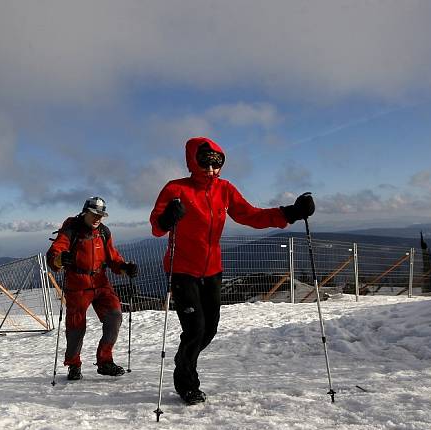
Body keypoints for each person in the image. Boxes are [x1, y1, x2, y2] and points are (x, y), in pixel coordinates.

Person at [149, 137, 315, 405]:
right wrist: (168, 217)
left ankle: (184, 358)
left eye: (217, 163)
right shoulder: (175, 189)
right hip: (182, 270)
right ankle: (186, 382)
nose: (212, 170)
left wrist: (290, 213)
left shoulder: (224, 189)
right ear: (193, 160)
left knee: (209, 329)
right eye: (206, 163)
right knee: (195, 329)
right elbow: (157, 227)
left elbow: (251, 215)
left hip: (213, 269)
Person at [47, 196, 139, 381]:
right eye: (94, 214)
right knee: (76, 327)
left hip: (100, 282)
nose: (98, 218)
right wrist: (59, 259)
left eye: (101, 215)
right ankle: (73, 365)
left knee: (114, 316)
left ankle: (105, 362)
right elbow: (56, 250)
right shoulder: (72, 229)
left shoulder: (104, 232)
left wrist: (124, 267)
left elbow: (113, 257)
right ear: (85, 212)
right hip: (77, 284)